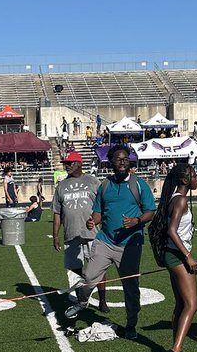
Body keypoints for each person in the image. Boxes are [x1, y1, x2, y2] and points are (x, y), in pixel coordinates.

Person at [65, 145, 156, 339]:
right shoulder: (105, 185)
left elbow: (150, 211)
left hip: (130, 245)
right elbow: (99, 211)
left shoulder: (139, 185)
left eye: (125, 158)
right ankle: (82, 302)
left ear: (129, 161)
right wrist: (93, 220)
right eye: (118, 159)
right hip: (105, 241)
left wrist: (137, 221)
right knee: (89, 276)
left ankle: (131, 324)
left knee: (130, 288)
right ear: (111, 162)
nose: (122, 162)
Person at [149, 162, 197, 352]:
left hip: (173, 255)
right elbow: (172, 231)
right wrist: (188, 256)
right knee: (192, 304)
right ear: (184, 180)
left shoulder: (174, 198)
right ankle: (176, 349)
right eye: (194, 175)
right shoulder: (180, 201)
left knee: (180, 304)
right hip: (177, 257)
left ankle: (176, 346)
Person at [52, 150, 108, 315]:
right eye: (65, 163)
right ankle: (81, 301)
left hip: (93, 234)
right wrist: (55, 235)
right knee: (75, 270)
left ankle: (103, 300)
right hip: (71, 234)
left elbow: (104, 205)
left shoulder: (93, 181)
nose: (67, 166)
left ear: (79, 163)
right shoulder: (61, 185)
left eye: (70, 163)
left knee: (98, 269)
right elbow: (57, 212)